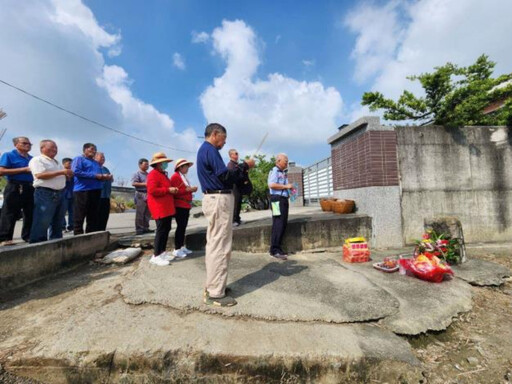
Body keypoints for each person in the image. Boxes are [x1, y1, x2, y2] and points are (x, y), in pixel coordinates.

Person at [197, 123, 255, 307]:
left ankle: (214, 285)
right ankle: (215, 293)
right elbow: (225, 177)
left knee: (215, 243)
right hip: (218, 199)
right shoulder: (210, 150)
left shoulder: (205, 150)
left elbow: (223, 175)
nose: (224, 142)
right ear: (215, 134)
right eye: (223, 138)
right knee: (220, 246)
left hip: (215, 199)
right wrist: (244, 166)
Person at [28, 140, 72, 243]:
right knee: (43, 221)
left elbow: (60, 176)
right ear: (42, 148)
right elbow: (39, 175)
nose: (54, 150)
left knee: (58, 221)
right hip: (45, 193)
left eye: (56, 148)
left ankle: (55, 243)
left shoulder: (56, 162)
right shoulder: (38, 160)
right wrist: (62, 172)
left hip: (60, 193)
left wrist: (67, 175)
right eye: (51, 147)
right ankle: (37, 245)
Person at [0, 136, 34, 245]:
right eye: (24, 143)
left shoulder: (32, 159)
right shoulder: (9, 155)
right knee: (10, 212)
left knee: (30, 212)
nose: (27, 145)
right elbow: (2, 171)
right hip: (15, 186)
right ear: (16, 144)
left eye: (29, 144)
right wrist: (23, 169)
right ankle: (5, 238)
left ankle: (28, 236)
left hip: (30, 187)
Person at [146, 152, 178, 266]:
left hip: (166, 206)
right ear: (158, 164)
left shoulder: (163, 174)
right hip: (159, 207)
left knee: (166, 228)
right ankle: (156, 255)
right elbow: (152, 190)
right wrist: (168, 190)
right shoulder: (153, 174)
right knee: (161, 230)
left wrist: (171, 190)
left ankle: (162, 252)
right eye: (164, 162)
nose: (166, 164)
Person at [71, 143, 107, 235]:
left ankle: (90, 236)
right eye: (91, 149)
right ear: (85, 149)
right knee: (80, 215)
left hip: (96, 190)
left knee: (93, 216)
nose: (94, 151)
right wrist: (95, 175)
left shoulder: (96, 163)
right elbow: (75, 171)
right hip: (82, 191)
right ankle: (78, 237)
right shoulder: (79, 159)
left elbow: (97, 176)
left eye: (95, 149)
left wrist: (103, 177)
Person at [170, 158, 198, 258]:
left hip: (185, 204)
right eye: (186, 166)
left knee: (183, 227)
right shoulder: (175, 177)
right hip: (179, 205)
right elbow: (176, 191)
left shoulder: (183, 177)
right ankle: (177, 248)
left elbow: (183, 190)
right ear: (180, 167)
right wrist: (189, 190)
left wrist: (190, 190)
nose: (187, 168)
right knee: (180, 227)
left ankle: (181, 246)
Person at [268, 153, 293, 260]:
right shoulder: (275, 171)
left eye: (287, 160)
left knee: (282, 223)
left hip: (282, 199)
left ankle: (277, 248)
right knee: (278, 223)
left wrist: (290, 189)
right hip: (276, 200)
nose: (287, 162)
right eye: (285, 160)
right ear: (278, 161)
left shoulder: (283, 172)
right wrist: (285, 186)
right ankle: (274, 249)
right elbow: (271, 184)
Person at [131, 158, 152, 235]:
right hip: (140, 193)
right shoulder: (137, 173)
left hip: (148, 194)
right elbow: (133, 183)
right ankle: (139, 229)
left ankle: (146, 228)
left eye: (148, 164)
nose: (147, 166)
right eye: (145, 164)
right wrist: (145, 184)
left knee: (147, 213)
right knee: (140, 212)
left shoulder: (148, 174)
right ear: (140, 165)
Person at [94, 152, 113, 231]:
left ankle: (102, 231)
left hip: (106, 195)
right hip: (98, 195)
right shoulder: (94, 167)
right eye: (101, 157)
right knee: (96, 216)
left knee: (104, 215)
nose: (103, 159)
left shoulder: (106, 169)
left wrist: (111, 178)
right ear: (95, 158)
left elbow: (110, 180)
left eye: (104, 157)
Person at [226, 149, 243, 227]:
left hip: (239, 186)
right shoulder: (230, 164)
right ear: (231, 155)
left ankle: (237, 219)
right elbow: (232, 174)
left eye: (237, 153)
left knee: (239, 202)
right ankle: (233, 220)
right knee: (235, 203)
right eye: (235, 153)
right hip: (234, 186)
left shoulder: (236, 164)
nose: (237, 155)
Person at [61, 158, 74, 232]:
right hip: (64, 194)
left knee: (72, 212)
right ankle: (62, 227)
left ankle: (71, 226)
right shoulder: (61, 172)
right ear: (64, 164)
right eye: (69, 163)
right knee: (62, 211)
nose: (70, 165)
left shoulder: (73, 173)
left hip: (72, 194)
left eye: (71, 163)